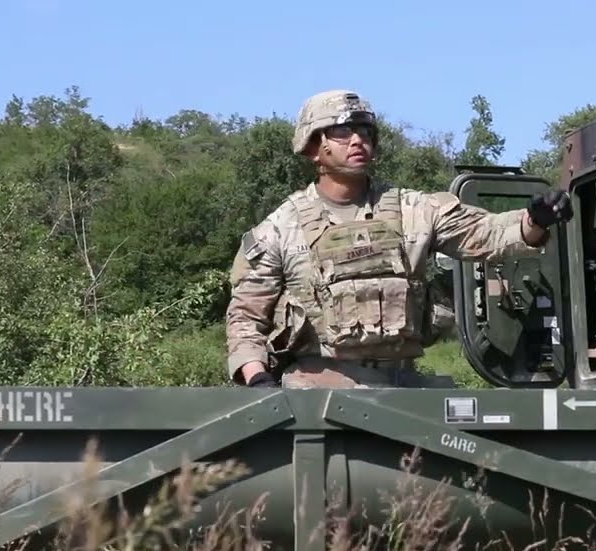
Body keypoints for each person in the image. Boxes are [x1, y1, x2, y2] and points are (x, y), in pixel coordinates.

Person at [224, 89, 573, 389]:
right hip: (315, 393)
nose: (358, 140)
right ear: (314, 147)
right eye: (342, 131)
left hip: (402, 387)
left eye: (364, 130)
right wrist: (258, 380)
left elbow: (489, 234)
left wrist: (536, 219)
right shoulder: (280, 228)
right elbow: (245, 318)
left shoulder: (415, 210)